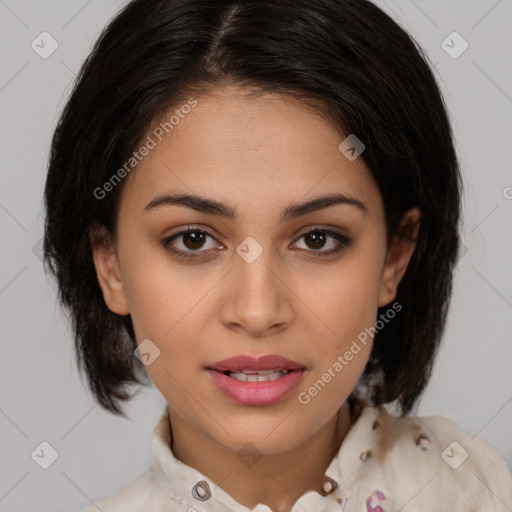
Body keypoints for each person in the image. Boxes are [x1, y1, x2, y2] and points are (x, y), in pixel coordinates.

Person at [42, 0, 512, 511]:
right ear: (109, 265)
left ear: (395, 257)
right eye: (194, 239)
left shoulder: (476, 491)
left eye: (317, 239)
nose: (258, 311)